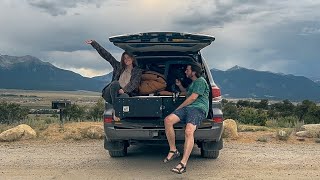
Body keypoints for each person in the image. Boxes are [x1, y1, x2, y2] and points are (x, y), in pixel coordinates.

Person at [163, 63, 209, 174]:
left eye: (187, 70)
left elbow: (193, 98)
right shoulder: (194, 83)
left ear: (194, 72)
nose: (185, 72)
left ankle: (183, 164)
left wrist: (178, 108)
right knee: (168, 120)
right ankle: (173, 150)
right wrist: (179, 86)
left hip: (198, 109)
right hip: (189, 108)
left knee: (188, 131)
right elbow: (187, 92)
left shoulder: (201, 81)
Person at [85, 40, 142, 119]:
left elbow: (134, 83)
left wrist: (124, 90)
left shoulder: (137, 71)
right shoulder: (118, 66)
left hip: (122, 94)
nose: (126, 60)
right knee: (115, 83)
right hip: (111, 92)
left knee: (125, 96)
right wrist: (94, 43)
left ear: (132, 59)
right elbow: (107, 56)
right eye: (124, 58)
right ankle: (116, 110)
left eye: (128, 57)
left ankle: (123, 117)